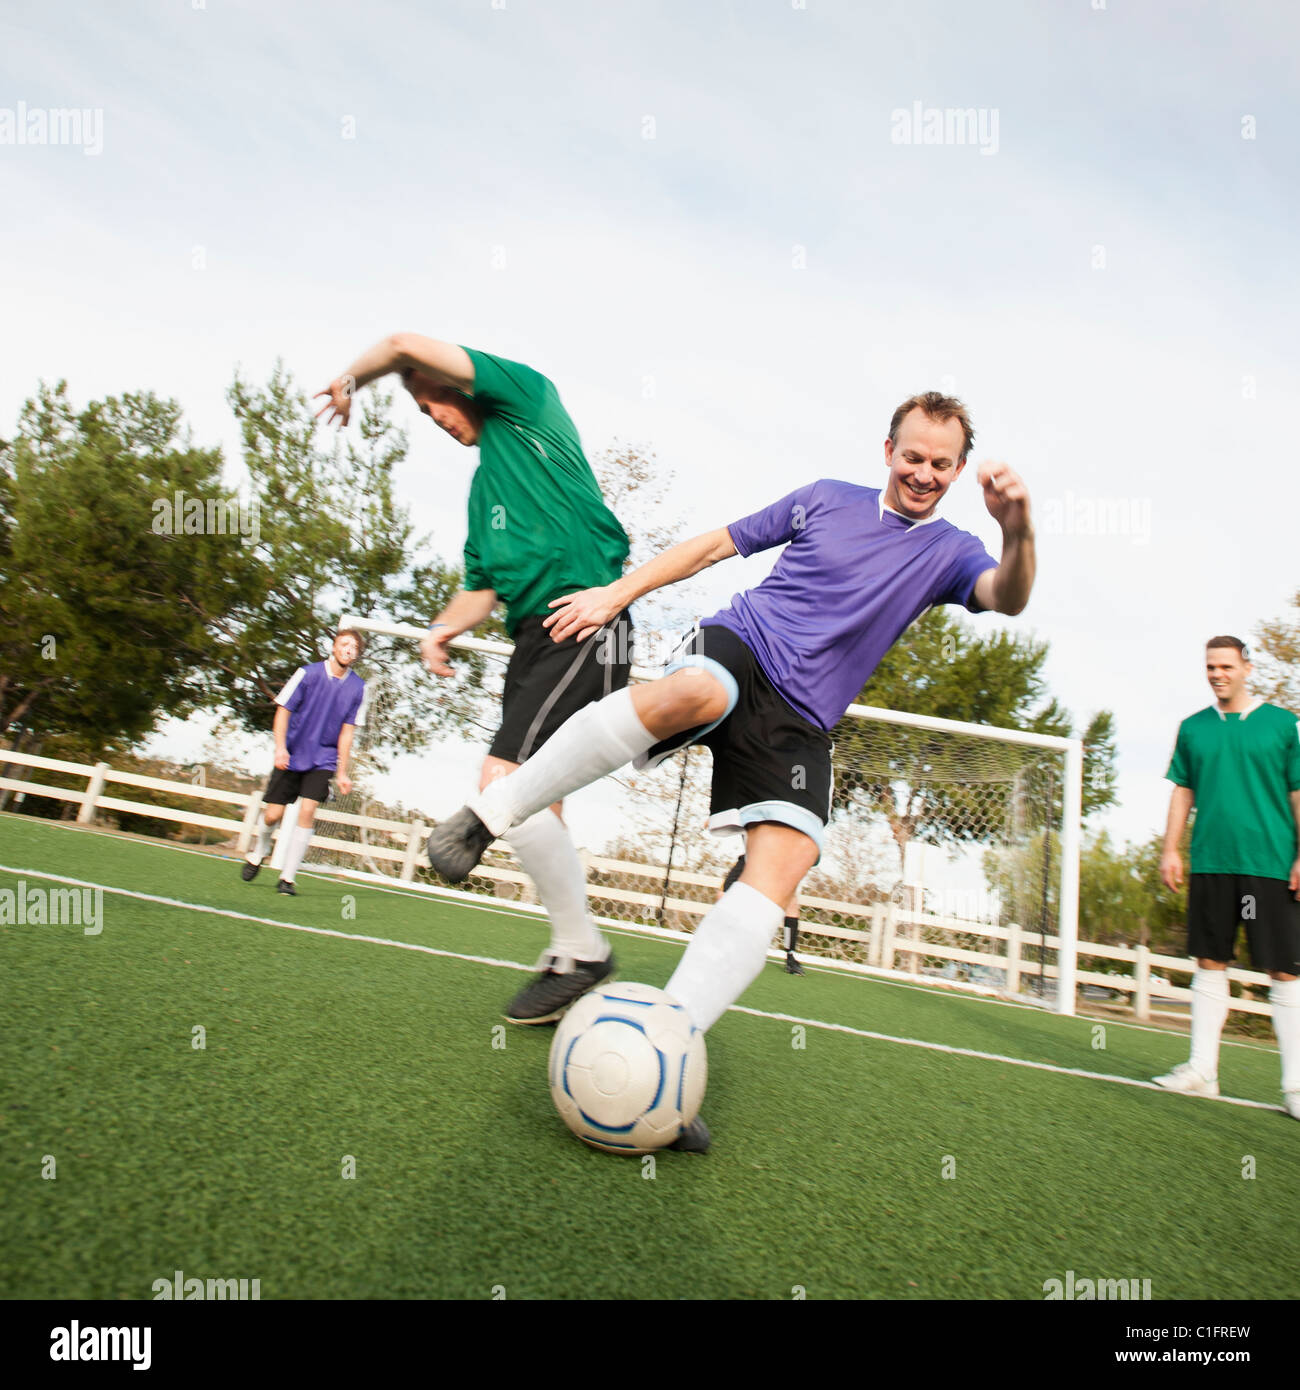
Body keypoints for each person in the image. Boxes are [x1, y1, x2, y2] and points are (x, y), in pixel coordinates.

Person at [427, 390, 1036, 1150]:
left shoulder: (950, 551)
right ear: (888, 450)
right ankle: (489, 813)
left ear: (958, 469)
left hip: (803, 720)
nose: (923, 473)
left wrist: (1018, 532)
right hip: (740, 647)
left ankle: (666, 1056)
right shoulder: (823, 499)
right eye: (912, 456)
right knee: (696, 689)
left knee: (787, 863)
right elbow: (713, 547)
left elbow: (1005, 597)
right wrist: (618, 593)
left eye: (941, 464)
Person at [316, 334, 632, 1023]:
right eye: (427, 418)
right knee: (537, 799)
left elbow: (400, 343)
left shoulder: (527, 400)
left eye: (438, 406)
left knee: (504, 784)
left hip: (583, 616)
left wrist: (351, 378)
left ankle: (582, 951)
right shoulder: (484, 489)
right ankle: (570, 948)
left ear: (462, 386)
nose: (441, 422)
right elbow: (479, 589)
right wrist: (441, 628)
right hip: (532, 640)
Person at [1153, 637, 1300, 1116]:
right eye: (1210, 666)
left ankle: (1295, 1087)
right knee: (1210, 961)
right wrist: (1171, 847)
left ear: (1247, 669)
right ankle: (1202, 1071)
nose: (1217, 673)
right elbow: (1183, 791)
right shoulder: (1193, 728)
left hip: (1271, 866)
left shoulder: (1284, 726)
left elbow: (1299, 793)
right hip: (1213, 862)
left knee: (1283, 970)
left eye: (1226, 666)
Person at [242, 629, 368, 895]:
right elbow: (283, 710)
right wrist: (280, 748)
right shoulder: (307, 674)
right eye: (344, 643)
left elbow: (347, 732)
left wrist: (342, 772)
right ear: (334, 647)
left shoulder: (358, 688)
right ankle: (261, 849)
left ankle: (288, 878)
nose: (348, 649)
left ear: (357, 654)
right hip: (292, 754)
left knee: (308, 811)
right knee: (273, 814)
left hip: (323, 759)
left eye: (354, 647)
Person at [720, 852, 804, 975]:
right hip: (754, 855)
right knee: (723, 895)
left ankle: (790, 956)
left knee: (790, 901)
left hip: (781, 859)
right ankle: (728, 945)